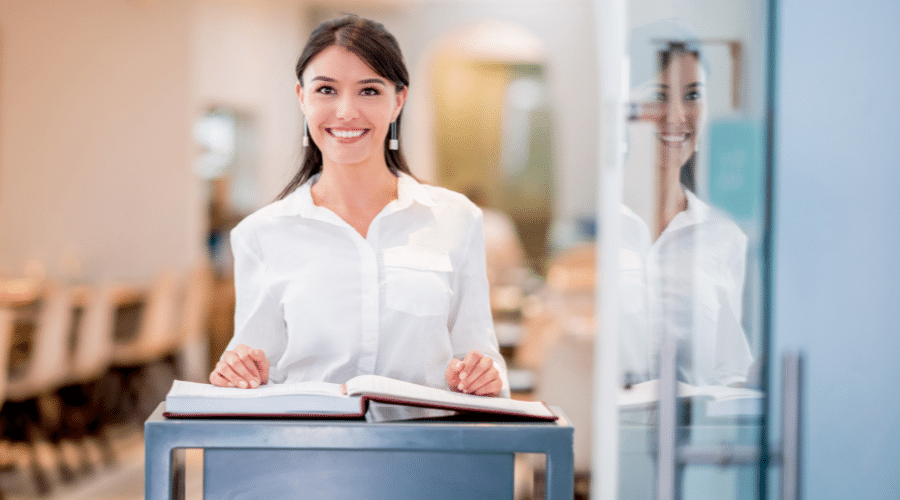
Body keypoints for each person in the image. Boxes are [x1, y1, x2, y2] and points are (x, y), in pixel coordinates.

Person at [209, 15, 507, 398]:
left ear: (398, 100)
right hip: (306, 450)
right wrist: (237, 373)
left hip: (424, 449)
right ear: (302, 98)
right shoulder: (261, 234)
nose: (346, 111)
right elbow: (254, 372)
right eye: (326, 90)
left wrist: (483, 375)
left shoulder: (456, 220)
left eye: (369, 91)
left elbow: (480, 356)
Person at [619, 39, 754, 387]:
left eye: (693, 96)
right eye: (660, 96)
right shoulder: (603, 228)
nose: (677, 116)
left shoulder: (725, 238)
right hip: (604, 438)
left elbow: (730, 371)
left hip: (685, 439)